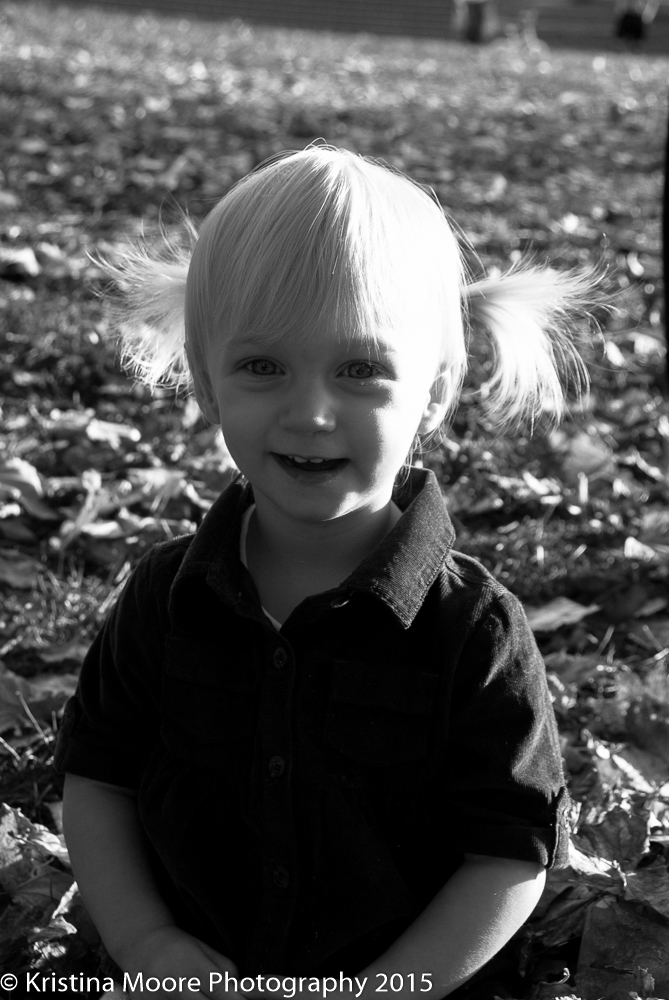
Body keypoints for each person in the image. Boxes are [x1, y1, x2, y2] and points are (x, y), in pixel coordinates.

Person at [55, 145, 592, 1000]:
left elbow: (507, 853)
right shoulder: (165, 598)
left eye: (360, 370)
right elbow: (97, 780)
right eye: (262, 367)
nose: (309, 412)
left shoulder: (473, 631)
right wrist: (146, 942)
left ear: (434, 392)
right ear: (206, 380)